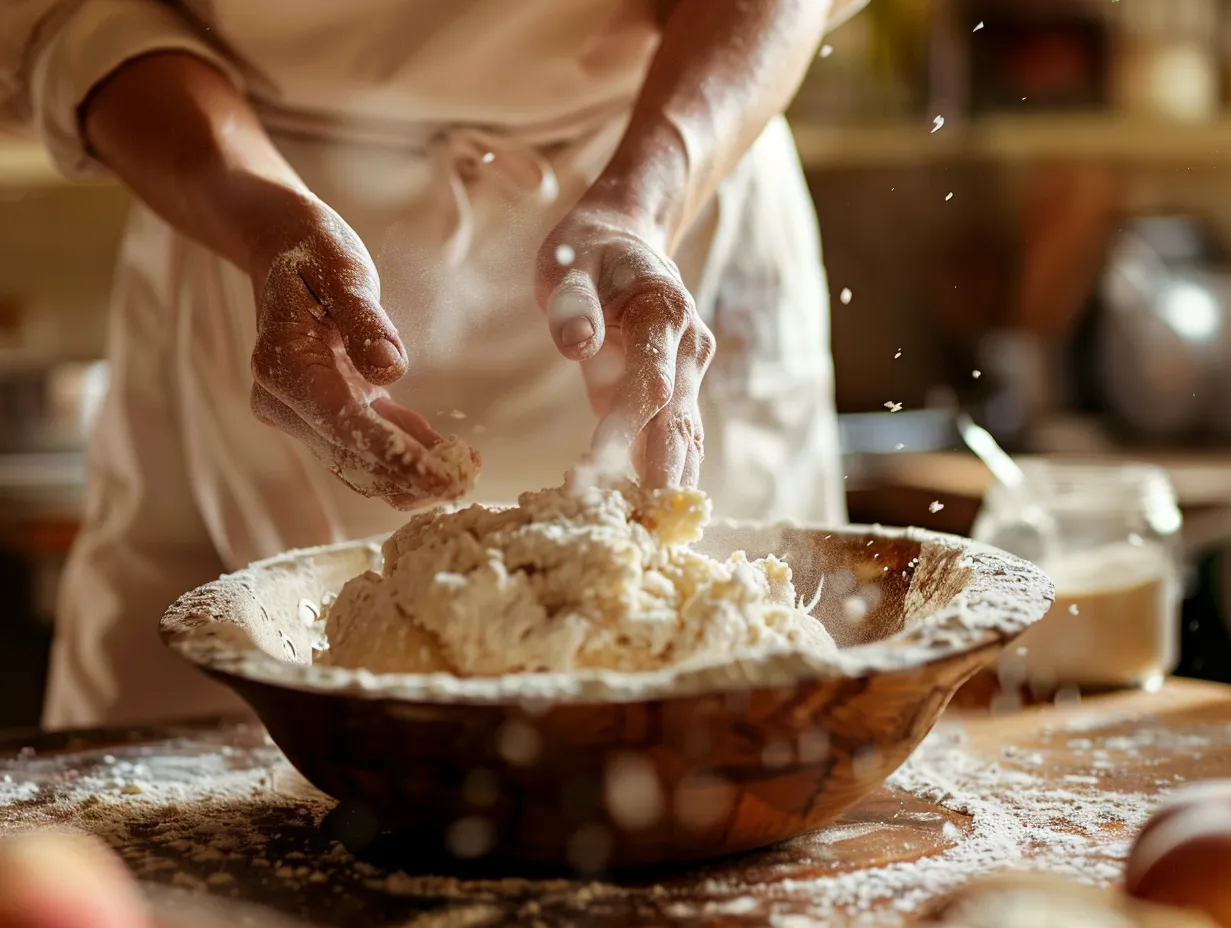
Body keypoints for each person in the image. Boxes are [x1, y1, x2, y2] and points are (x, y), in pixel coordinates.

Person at [1, 0, 863, 731]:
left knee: (735, 755)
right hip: (227, 195)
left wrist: (650, 197)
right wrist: (258, 215)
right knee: (167, 829)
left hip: (676, 172)